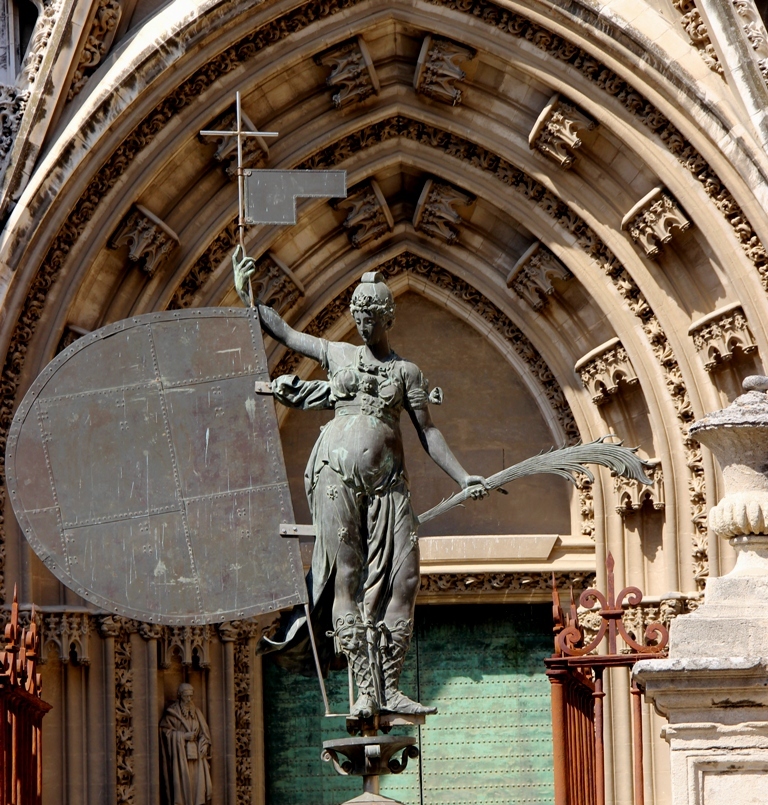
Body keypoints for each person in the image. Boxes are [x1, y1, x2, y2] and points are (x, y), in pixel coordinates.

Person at [234, 247, 487, 718]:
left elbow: (427, 431)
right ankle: (365, 690)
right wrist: (249, 298)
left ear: (388, 316)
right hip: (335, 474)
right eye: (358, 316)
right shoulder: (337, 353)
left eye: (372, 317)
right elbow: (287, 333)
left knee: (405, 578)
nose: (364, 325)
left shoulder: (406, 371)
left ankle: (389, 687)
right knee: (346, 577)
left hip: (390, 483)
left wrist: (462, 475)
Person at [160, 683, 213, 805]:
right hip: (181, 758)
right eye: (186, 696)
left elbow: (204, 733)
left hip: (197, 758)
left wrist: (204, 744)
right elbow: (165, 732)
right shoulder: (172, 713)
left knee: (198, 787)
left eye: (191, 696)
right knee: (182, 785)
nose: (189, 699)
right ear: (180, 696)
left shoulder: (197, 713)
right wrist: (183, 736)